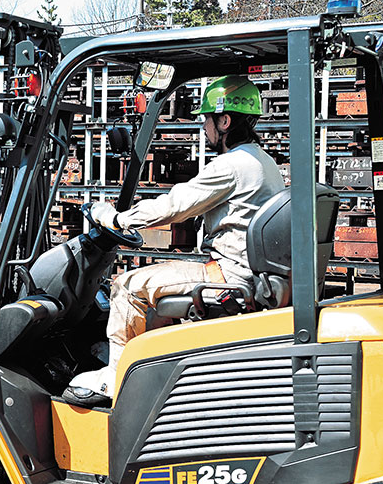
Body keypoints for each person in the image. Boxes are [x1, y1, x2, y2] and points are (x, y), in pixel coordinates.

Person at [63, 74, 284, 407]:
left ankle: (116, 378)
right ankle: (150, 369)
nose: (204, 127)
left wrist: (117, 219)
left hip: (229, 276)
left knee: (126, 286)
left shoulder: (233, 165)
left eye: (207, 119)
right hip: (248, 272)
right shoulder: (263, 162)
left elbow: (174, 205)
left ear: (224, 121)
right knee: (156, 290)